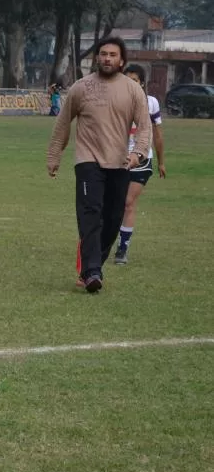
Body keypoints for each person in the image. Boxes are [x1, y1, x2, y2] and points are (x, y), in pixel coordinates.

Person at [46, 36, 150, 293]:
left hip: (120, 163)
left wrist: (138, 153)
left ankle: (92, 267)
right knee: (90, 214)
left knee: (113, 219)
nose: (107, 58)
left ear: (122, 60)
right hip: (88, 160)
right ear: (97, 58)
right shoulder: (81, 88)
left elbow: (144, 126)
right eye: (103, 54)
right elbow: (62, 123)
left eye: (112, 55)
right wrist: (54, 155)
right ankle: (93, 272)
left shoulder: (132, 90)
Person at [113, 64, 167, 265]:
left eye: (134, 80)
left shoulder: (150, 103)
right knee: (113, 204)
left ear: (141, 83)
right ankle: (106, 241)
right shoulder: (116, 100)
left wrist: (161, 161)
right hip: (116, 159)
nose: (130, 84)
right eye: (127, 80)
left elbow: (158, 134)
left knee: (128, 203)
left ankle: (122, 248)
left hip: (142, 160)